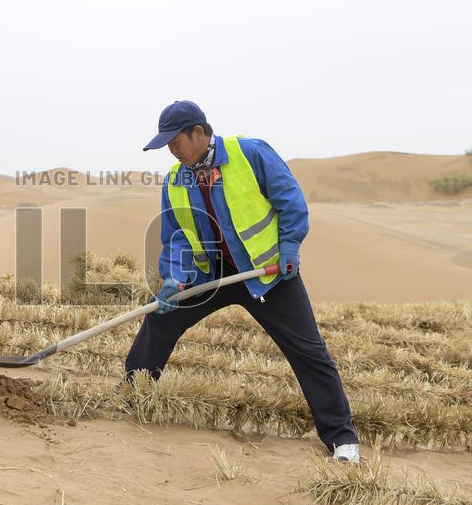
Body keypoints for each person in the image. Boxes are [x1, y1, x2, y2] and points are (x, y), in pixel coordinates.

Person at [126, 100, 360, 463]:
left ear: (199, 134)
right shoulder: (176, 179)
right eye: (167, 144)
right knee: (160, 319)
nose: (171, 150)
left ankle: (342, 439)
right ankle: (131, 396)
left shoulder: (250, 153)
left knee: (309, 351)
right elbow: (175, 236)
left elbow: (291, 202)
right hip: (211, 275)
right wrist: (173, 278)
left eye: (175, 142)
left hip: (266, 273)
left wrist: (290, 248)